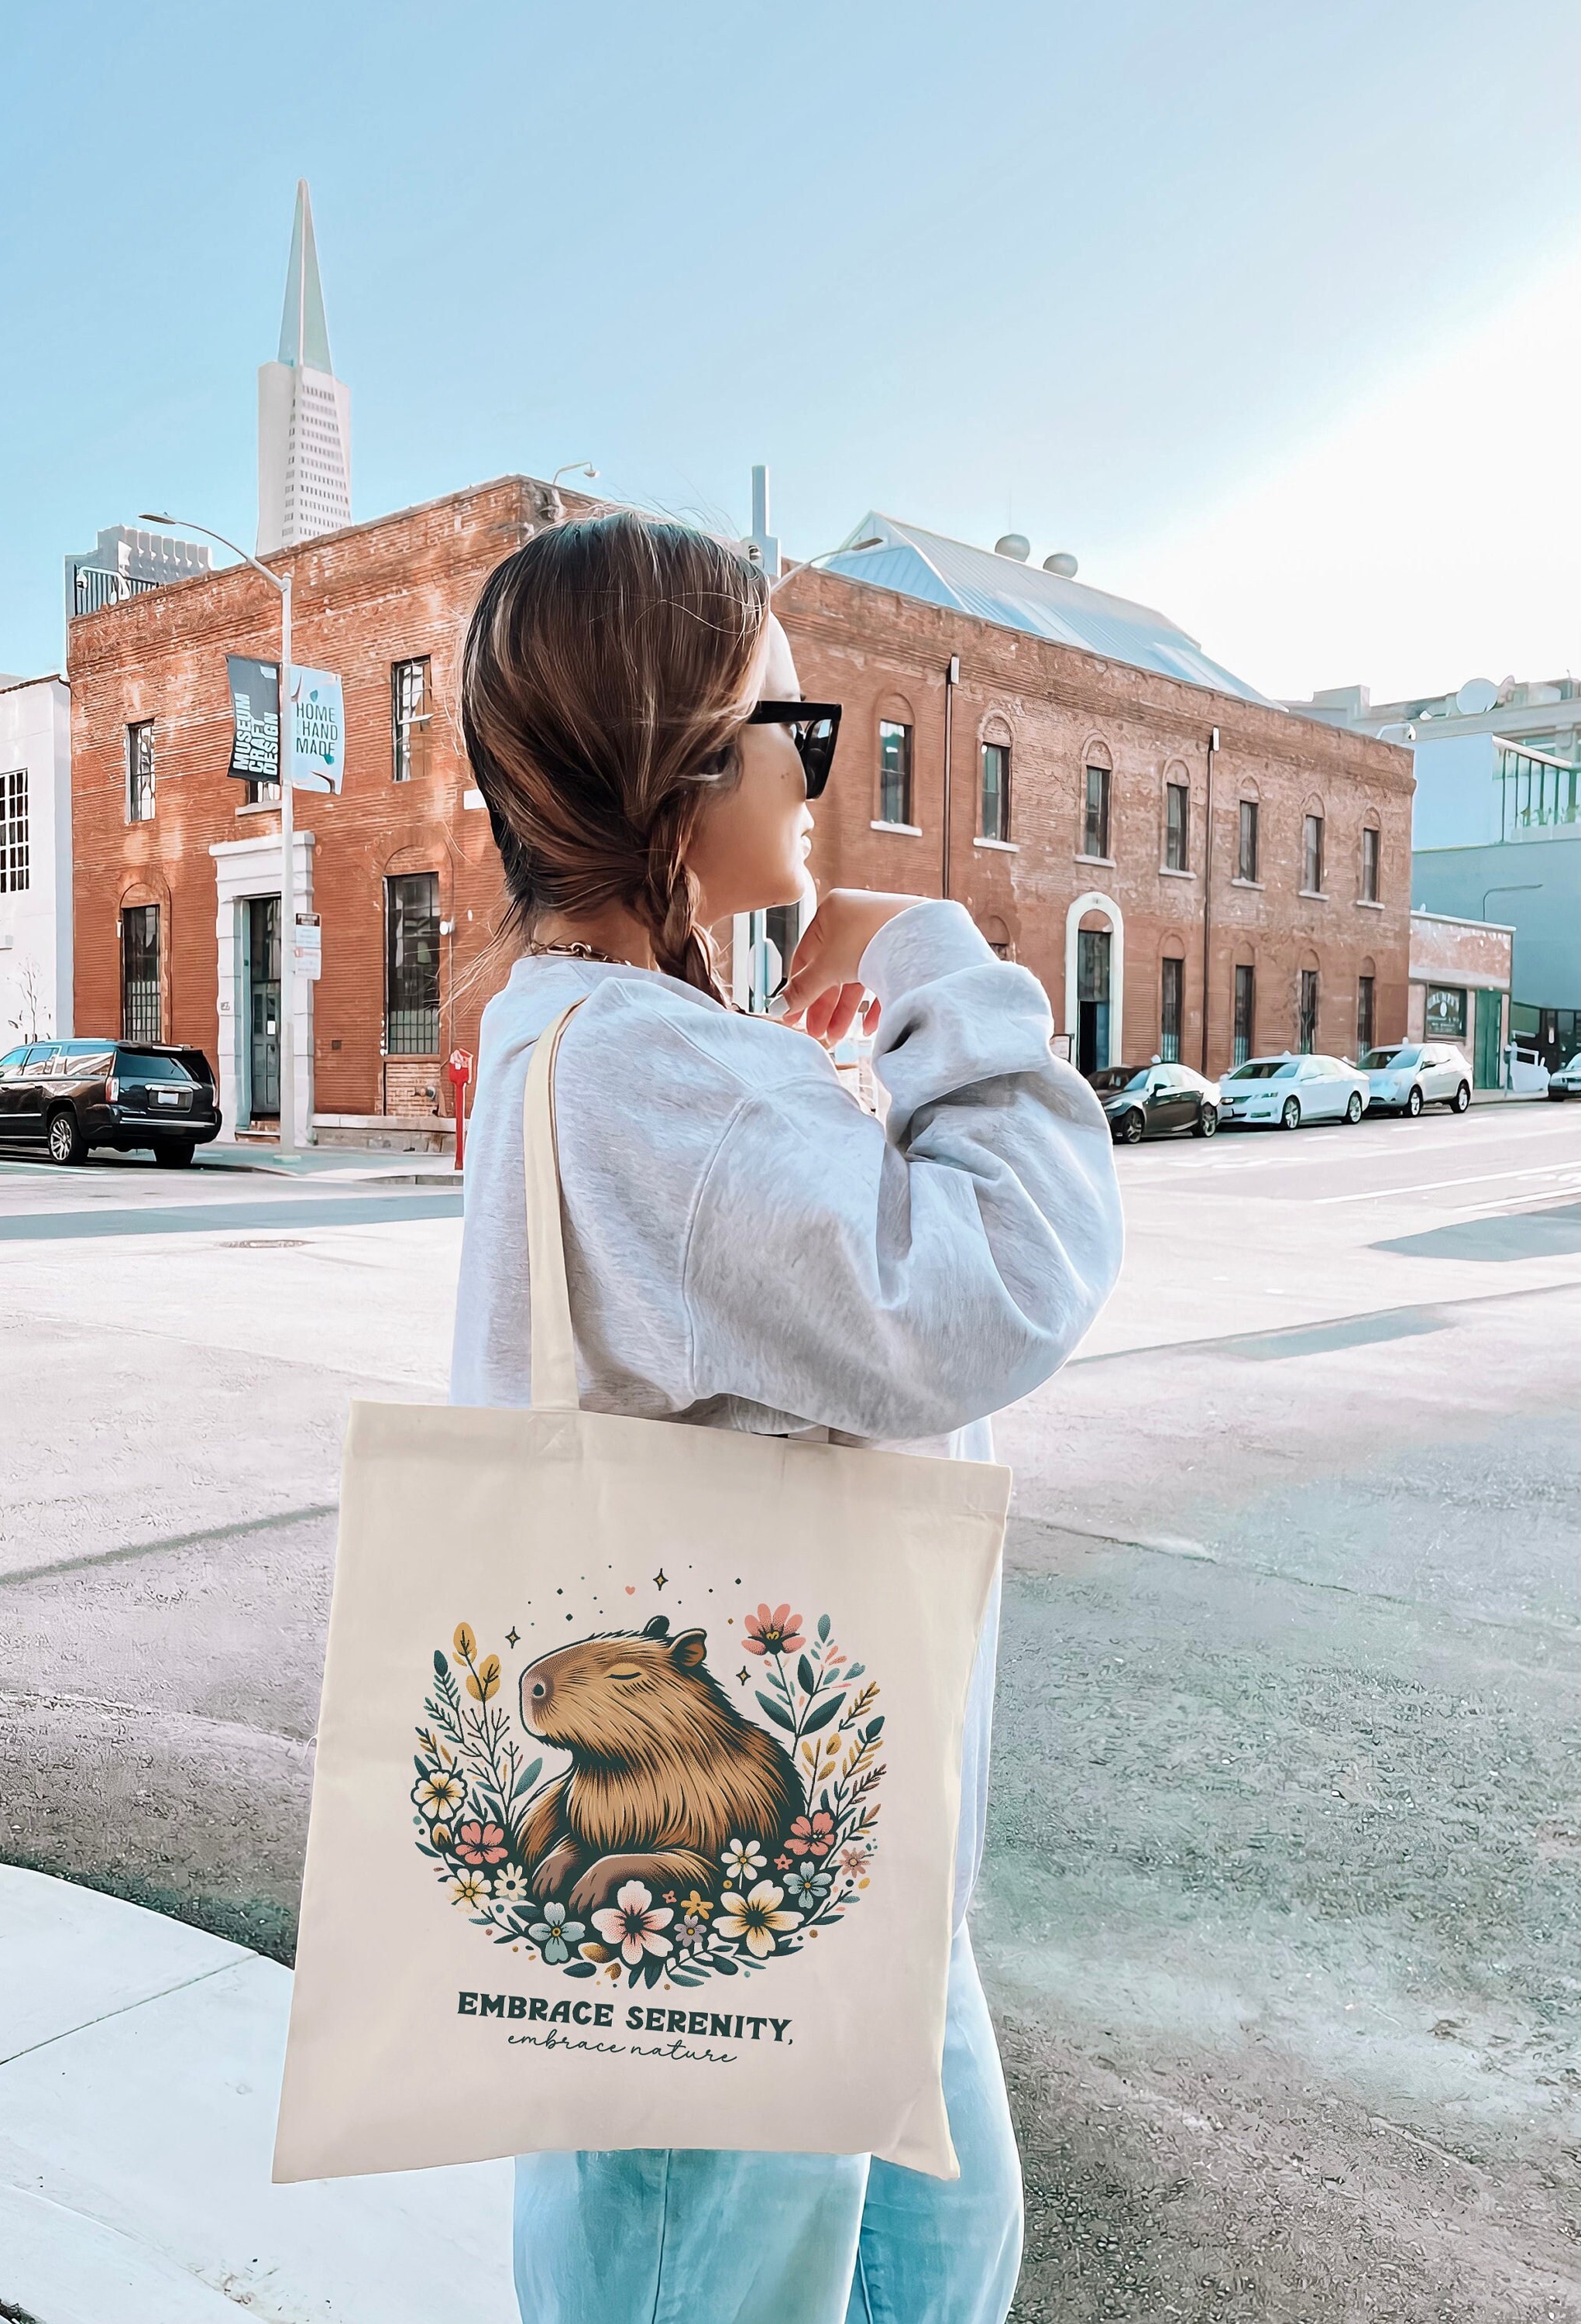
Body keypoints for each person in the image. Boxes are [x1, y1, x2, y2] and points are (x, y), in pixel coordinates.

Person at [452, 511, 1123, 2324]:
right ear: (677, 766)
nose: (822, 766)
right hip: (734, 1868)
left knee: (930, 2244)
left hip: (835, 1833)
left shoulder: (590, 1039)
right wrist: (930, 962)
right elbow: (1006, 1283)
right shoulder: (650, 1072)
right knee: (703, 2264)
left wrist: (816, 1078)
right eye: (792, 727)